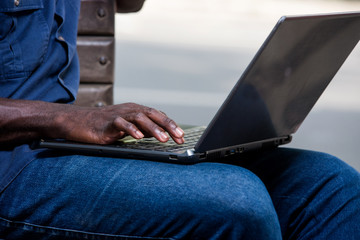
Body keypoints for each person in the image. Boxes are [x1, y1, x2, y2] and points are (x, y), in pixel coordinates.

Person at [1, 0, 360, 239]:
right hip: (12, 164)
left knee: (328, 184)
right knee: (235, 202)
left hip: (57, 147)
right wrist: (65, 117)